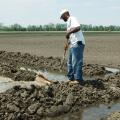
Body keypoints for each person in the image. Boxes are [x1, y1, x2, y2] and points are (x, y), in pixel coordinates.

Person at [60, 9, 85, 84]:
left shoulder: (72, 18)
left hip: (78, 43)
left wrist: (68, 33)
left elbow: (78, 27)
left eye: (62, 17)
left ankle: (78, 79)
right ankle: (71, 78)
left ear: (65, 14)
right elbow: (71, 36)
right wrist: (67, 44)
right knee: (70, 62)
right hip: (73, 44)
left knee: (76, 62)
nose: (62, 19)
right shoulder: (68, 23)